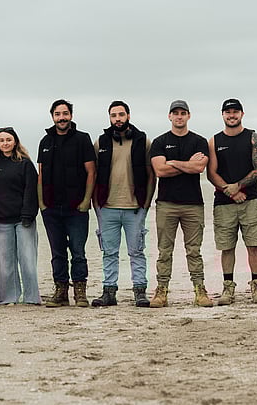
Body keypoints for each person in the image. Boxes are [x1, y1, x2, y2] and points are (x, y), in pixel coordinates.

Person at [149, 100, 213, 308]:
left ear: (188, 116)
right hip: (166, 204)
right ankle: (161, 290)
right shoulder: (159, 142)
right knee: (164, 251)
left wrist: (174, 162)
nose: (179, 116)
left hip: (193, 204)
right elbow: (160, 170)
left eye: (182, 113)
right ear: (169, 116)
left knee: (194, 250)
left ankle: (199, 289)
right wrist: (188, 164)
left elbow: (199, 168)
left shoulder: (199, 141)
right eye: (175, 113)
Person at [91, 101, 156, 307]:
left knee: (136, 251)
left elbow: (151, 174)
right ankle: (109, 292)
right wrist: (96, 205)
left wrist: (146, 204)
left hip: (135, 207)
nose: (117, 119)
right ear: (109, 118)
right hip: (107, 207)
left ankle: (140, 292)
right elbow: (93, 175)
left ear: (128, 115)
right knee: (109, 252)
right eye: (113, 115)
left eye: (121, 114)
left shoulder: (143, 141)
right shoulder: (101, 142)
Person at [208, 98, 257, 305]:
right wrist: (231, 192)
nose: (231, 115)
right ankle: (228, 288)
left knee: (254, 245)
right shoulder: (214, 141)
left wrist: (239, 186)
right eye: (228, 112)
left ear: (242, 114)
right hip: (224, 203)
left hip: (250, 201)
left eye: (235, 111)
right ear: (222, 115)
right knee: (227, 247)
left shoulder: (253, 138)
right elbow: (211, 173)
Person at [38, 99, 95, 308]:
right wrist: (42, 204)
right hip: (51, 208)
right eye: (57, 114)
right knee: (57, 253)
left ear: (71, 115)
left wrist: (86, 201)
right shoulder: (45, 141)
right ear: (52, 116)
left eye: (65, 113)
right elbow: (41, 174)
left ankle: (80, 292)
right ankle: (61, 291)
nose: (61, 118)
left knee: (78, 252)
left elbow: (91, 172)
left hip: (76, 208)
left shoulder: (82, 139)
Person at [0, 127, 40, 304]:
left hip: (23, 219)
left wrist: (28, 214)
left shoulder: (25, 163)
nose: (5, 143)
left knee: (27, 259)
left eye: (8, 140)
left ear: (15, 141)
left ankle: (32, 297)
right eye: (2, 140)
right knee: (6, 262)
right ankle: (8, 297)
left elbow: (31, 190)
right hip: (2, 220)